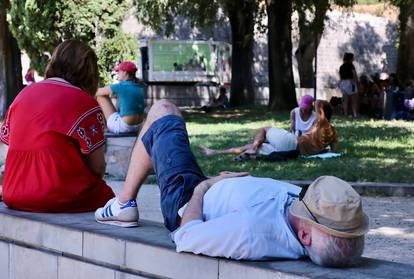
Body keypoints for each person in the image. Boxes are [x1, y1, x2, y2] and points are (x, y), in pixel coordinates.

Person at [94, 100, 368, 267]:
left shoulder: (252, 233)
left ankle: (123, 204)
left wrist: (206, 187)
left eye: (304, 202)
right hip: (215, 189)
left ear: (306, 236)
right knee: (160, 137)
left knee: (164, 112)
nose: (301, 198)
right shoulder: (317, 224)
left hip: (188, 198)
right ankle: (153, 163)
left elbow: (185, 237)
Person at [0, 40, 114, 212]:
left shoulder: (23, 94)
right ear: (89, 71)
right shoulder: (84, 102)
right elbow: (97, 167)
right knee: (109, 198)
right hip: (56, 195)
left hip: (13, 193)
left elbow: (9, 145)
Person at [199, 100, 338, 160]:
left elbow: (319, 105)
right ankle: (214, 152)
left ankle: (253, 148)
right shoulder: (332, 132)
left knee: (265, 129)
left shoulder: (320, 123)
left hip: (292, 143)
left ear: (320, 112)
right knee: (251, 146)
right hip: (294, 152)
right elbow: (333, 152)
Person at [96, 61, 144, 134]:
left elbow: (97, 92)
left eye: (119, 71)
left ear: (125, 72)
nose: (117, 73)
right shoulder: (139, 86)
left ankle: (104, 127)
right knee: (115, 102)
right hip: (137, 126)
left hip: (124, 127)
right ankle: (108, 126)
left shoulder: (121, 86)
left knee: (100, 96)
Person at [338, 52, 358, 118]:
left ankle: (345, 114)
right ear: (350, 59)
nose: (353, 59)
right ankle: (354, 114)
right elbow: (354, 74)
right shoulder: (351, 65)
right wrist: (356, 82)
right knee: (353, 99)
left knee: (345, 99)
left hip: (343, 83)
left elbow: (340, 76)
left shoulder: (341, 66)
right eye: (352, 58)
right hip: (350, 82)